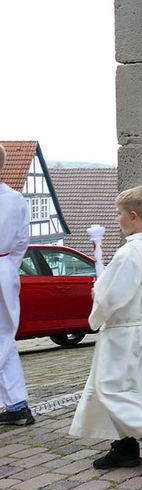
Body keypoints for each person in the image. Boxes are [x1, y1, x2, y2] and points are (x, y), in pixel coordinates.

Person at [69, 186, 142, 470]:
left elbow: (112, 295)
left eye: (119, 214)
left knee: (110, 388)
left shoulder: (129, 253)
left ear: (133, 215)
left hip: (125, 330)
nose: (117, 220)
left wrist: (98, 290)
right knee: (134, 388)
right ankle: (126, 447)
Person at [0, 144, 34, 427]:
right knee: (4, 336)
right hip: (5, 269)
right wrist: (9, 267)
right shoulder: (16, 199)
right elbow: (23, 240)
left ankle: (17, 405)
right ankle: (16, 404)